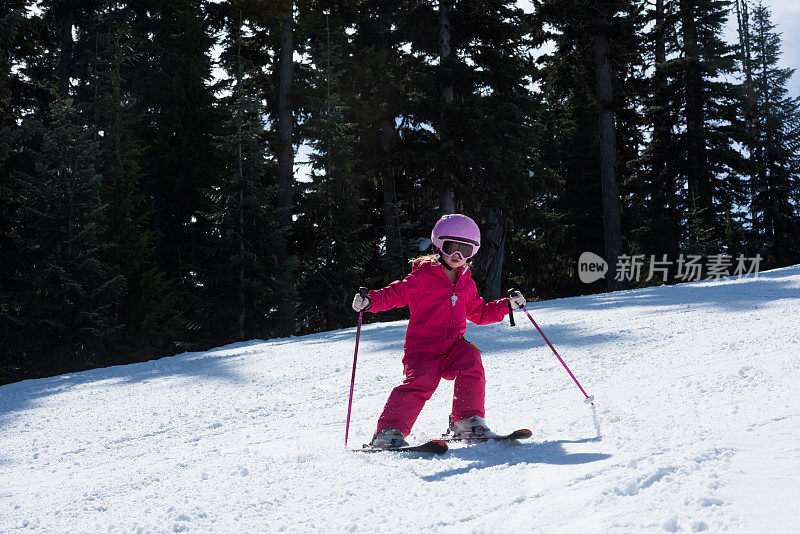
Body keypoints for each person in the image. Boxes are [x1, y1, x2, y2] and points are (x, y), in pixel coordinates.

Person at [352, 214, 526, 448]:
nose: (458, 256)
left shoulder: (467, 283)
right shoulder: (422, 277)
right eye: (451, 247)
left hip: (453, 346)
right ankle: (388, 432)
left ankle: (466, 422)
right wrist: (370, 301)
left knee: (471, 359)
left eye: (466, 250)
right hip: (423, 348)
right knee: (422, 381)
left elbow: (480, 313)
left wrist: (507, 305)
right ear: (438, 245)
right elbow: (396, 293)